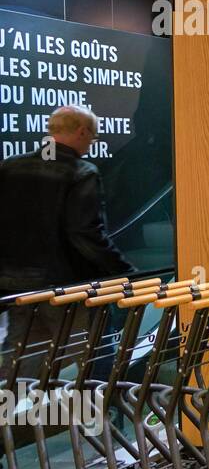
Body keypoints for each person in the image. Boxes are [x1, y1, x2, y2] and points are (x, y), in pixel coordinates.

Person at [0, 106, 133, 373]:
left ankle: (17, 415)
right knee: (91, 364)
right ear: (82, 132)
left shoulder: (9, 167)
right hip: (67, 289)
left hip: (18, 289)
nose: (90, 145)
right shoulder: (82, 173)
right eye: (92, 138)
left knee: (21, 367)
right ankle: (93, 414)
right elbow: (85, 234)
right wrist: (124, 272)